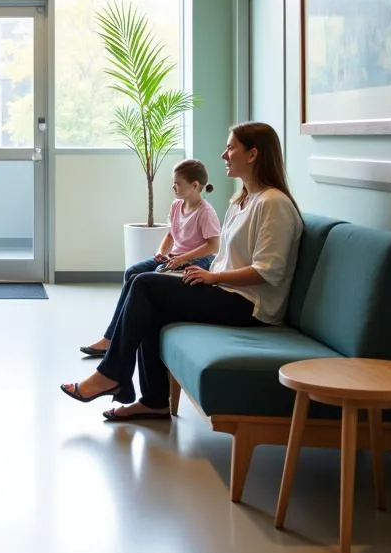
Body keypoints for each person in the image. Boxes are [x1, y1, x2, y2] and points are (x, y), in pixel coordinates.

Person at [61, 122, 303, 421]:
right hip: (227, 292)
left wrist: (213, 277)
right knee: (149, 298)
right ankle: (153, 401)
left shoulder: (273, 203)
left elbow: (269, 271)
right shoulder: (242, 200)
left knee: (146, 285)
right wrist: (202, 275)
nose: (224, 154)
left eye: (231, 147)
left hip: (251, 306)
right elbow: (228, 256)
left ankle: (110, 375)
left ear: (253, 154)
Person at [79, 158, 221, 358]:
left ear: (195, 185)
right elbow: (171, 235)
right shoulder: (175, 206)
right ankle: (111, 338)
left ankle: (123, 339)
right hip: (174, 256)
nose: (173, 186)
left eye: (177, 183)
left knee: (151, 278)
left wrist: (182, 259)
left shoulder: (206, 212)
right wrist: (161, 251)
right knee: (132, 273)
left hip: (197, 261)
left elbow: (213, 246)